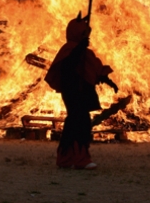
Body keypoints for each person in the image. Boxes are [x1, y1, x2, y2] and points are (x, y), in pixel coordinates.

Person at [45, 14, 117, 170]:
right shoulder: (69, 49)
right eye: (84, 34)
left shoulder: (84, 52)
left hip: (83, 91)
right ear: (77, 33)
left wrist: (109, 81)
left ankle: (67, 158)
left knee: (76, 123)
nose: (88, 37)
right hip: (73, 91)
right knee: (79, 123)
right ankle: (79, 158)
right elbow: (69, 65)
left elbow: (93, 70)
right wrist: (80, 47)